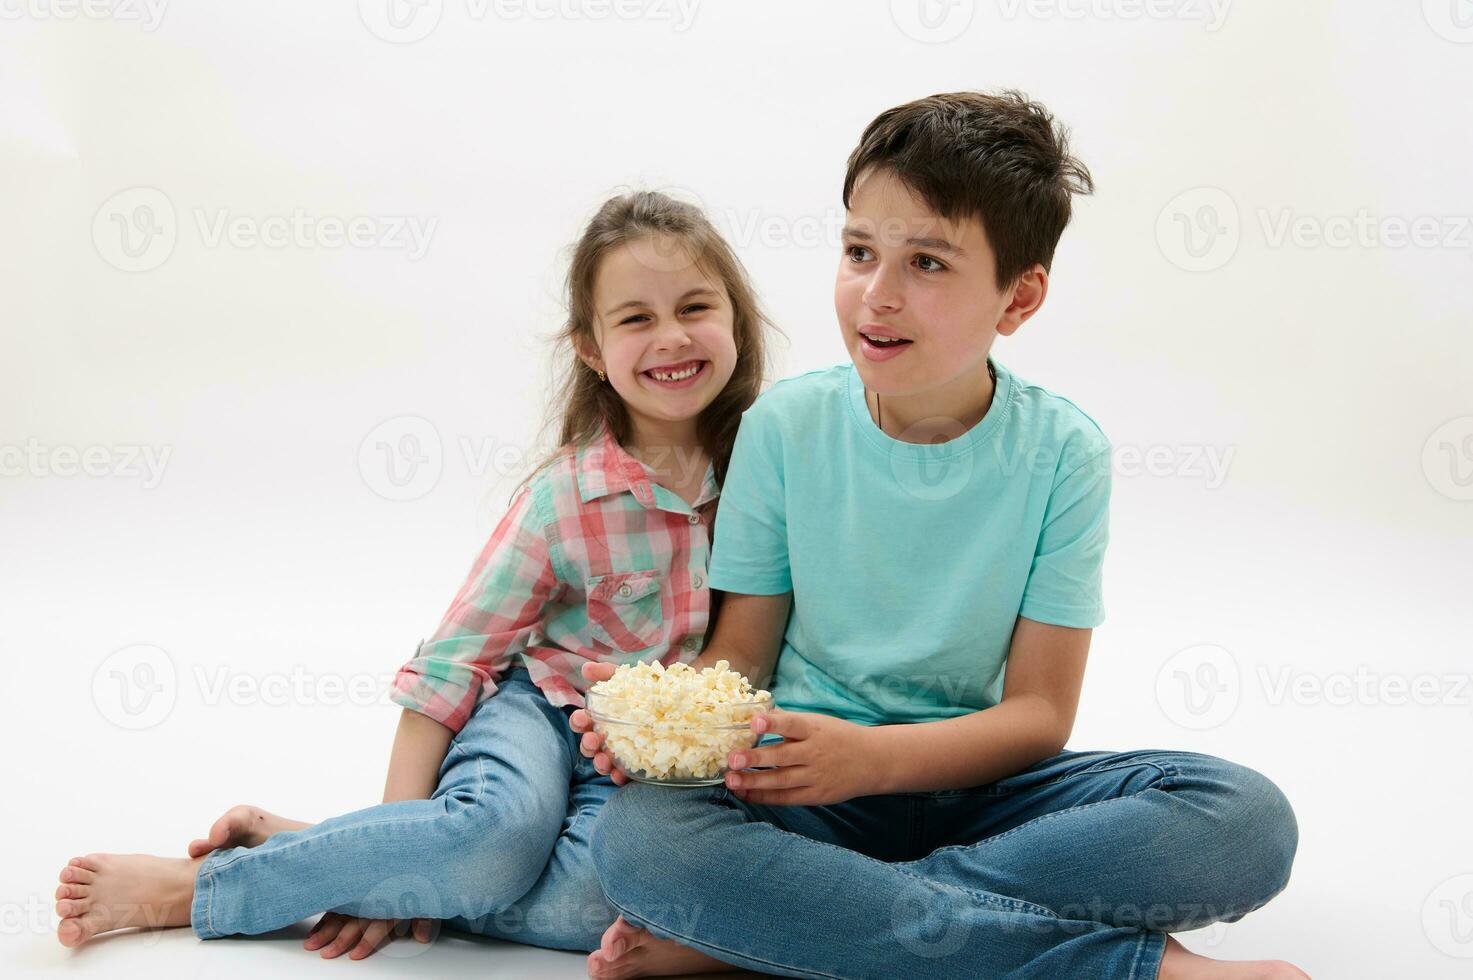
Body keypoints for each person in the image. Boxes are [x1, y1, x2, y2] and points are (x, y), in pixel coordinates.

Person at [572, 91, 1306, 980]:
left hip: (986, 791)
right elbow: (741, 657)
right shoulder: (783, 428)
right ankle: (1135, 969)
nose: (876, 297)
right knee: (645, 841)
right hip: (803, 782)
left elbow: (1038, 716)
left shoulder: (1062, 453)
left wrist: (873, 760)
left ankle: (792, 924)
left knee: (1245, 819)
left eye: (926, 262)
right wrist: (647, 713)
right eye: (858, 252)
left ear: (1019, 295)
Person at [53, 189, 776, 960]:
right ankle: (203, 888)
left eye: (694, 308)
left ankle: (335, 852)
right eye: (635, 319)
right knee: (492, 838)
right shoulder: (563, 497)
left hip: (637, 756)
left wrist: (403, 873)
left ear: (735, 318)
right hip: (537, 709)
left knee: (589, 903)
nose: (670, 337)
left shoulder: (769, 472)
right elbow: (453, 662)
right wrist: (401, 843)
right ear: (592, 350)